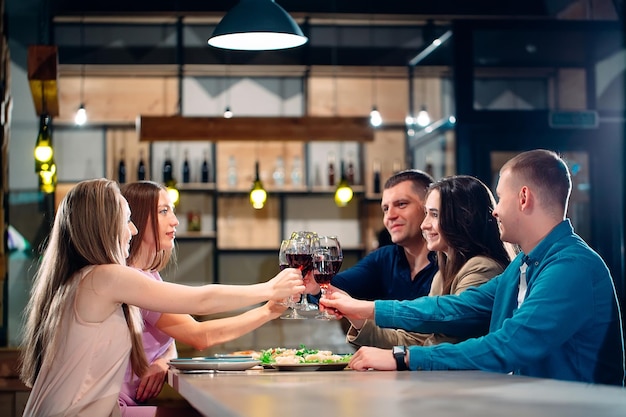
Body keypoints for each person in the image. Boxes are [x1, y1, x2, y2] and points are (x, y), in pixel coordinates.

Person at [321, 149, 626, 386]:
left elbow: (506, 347)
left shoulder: (570, 268)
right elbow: (454, 308)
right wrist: (367, 309)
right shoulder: (524, 264)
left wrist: (402, 357)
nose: (494, 211)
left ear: (523, 198)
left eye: (501, 197)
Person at [19, 178, 304, 416]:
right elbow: (201, 302)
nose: (132, 229)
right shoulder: (106, 277)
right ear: (103, 225)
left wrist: (167, 355)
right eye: (127, 219)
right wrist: (268, 289)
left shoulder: (83, 279)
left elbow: (173, 328)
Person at [118, 181, 291, 415]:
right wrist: (268, 299)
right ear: (136, 218)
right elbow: (201, 332)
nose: (175, 220)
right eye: (163, 211)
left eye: (172, 210)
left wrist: (163, 360)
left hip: (130, 403)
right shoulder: (132, 279)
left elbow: (177, 337)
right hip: (115, 407)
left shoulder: (149, 275)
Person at [346, 175, 511, 348]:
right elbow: (418, 339)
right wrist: (356, 316)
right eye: (426, 214)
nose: (424, 225)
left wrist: (366, 310)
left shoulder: (482, 267)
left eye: (434, 214)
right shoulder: (443, 274)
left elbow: (448, 339)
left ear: (463, 218)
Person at [309, 169, 438, 302]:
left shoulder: (451, 263)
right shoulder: (383, 259)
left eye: (401, 204)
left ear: (429, 208)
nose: (390, 216)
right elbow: (335, 287)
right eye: (386, 209)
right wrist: (314, 285)